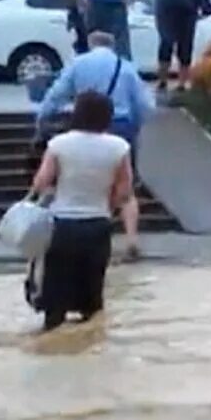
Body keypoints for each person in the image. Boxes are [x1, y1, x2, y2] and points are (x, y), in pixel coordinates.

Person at [35, 30, 154, 261]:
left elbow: (57, 93)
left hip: (84, 124)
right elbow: (145, 103)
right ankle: (131, 238)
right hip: (121, 126)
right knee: (127, 190)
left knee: (81, 176)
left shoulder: (78, 64)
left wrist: (42, 117)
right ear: (112, 46)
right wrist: (136, 125)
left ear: (90, 44)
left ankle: (87, 227)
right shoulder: (126, 67)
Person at [29, 91, 134, 332]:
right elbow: (125, 192)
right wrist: (108, 203)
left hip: (61, 226)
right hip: (97, 225)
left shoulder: (59, 144)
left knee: (54, 298)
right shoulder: (119, 147)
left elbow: (41, 183)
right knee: (92, 297)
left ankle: (51, 344)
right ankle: (90, 345)